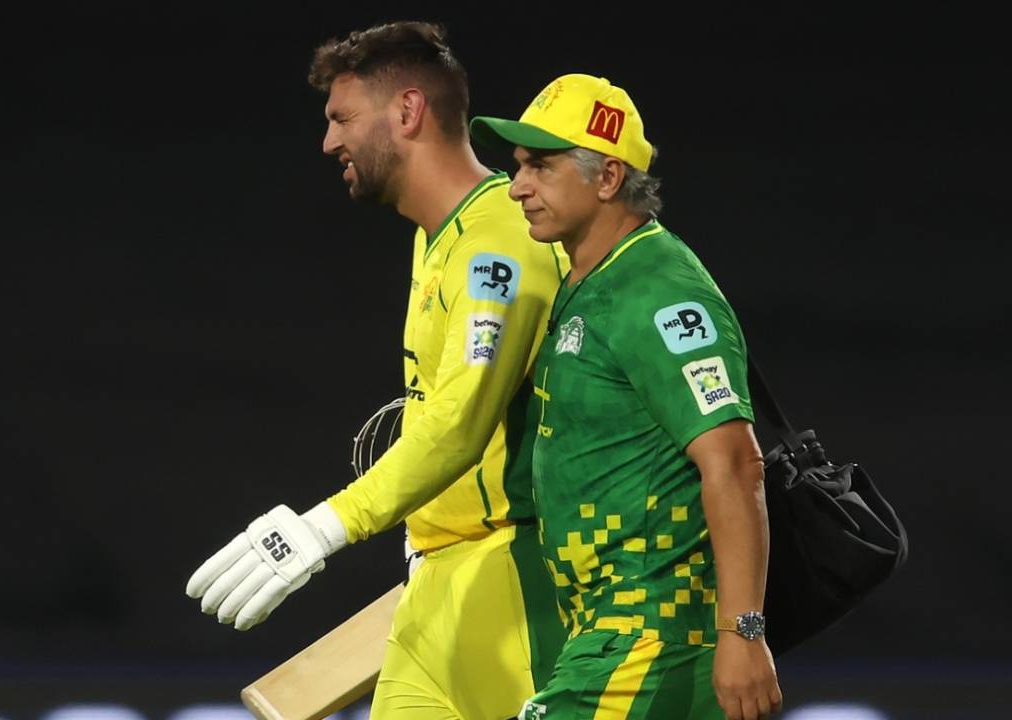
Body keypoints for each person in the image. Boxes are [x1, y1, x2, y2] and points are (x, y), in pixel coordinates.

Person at [185, 21, 569, 720]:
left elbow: (461, 420)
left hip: (515, 587)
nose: (328, 141)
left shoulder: (500, 242)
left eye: (342, 118)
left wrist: (325, 527)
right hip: (437, 583)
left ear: (408, 111)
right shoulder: (438, 237)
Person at [469, 74, 783, 720]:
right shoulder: (589, 279)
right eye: (518, 165)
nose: (517, 185)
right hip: (604, 632)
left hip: (649, 636)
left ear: (608, 178)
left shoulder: (657, 291)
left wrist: (743, 633)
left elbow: (735, 462)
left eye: (540, 166)